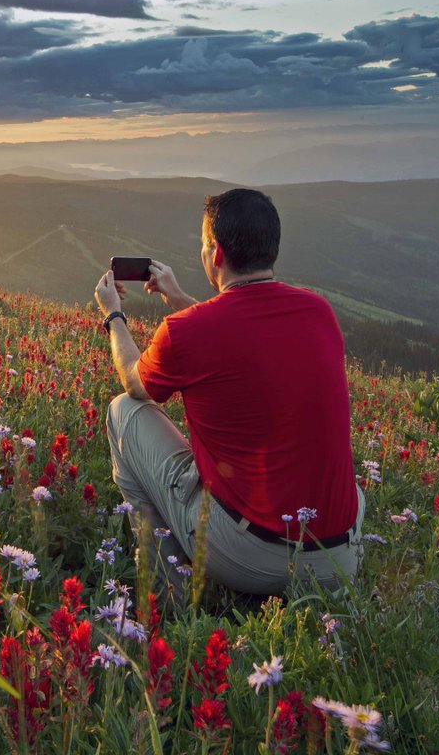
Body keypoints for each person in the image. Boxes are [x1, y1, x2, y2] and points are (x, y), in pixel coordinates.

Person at [93, 188, 363, 597]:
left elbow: (134, 379)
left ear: (215, 254)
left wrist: (113, 314)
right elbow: (243, 334)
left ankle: (169, 591)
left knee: (121, 412)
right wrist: (176, 297)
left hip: (248, 558)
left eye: (204, 246)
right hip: (339, 559)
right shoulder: (319, 313)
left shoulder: (188, 332)